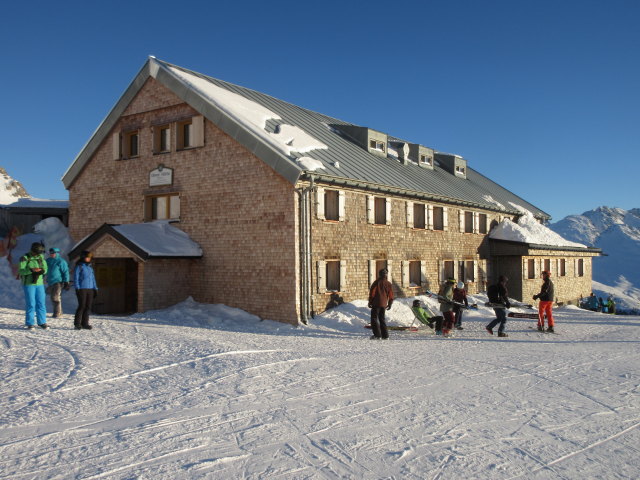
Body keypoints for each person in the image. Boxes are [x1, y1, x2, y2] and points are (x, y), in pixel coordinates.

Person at [18, 242, 49, 329]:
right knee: (31, 303)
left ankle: (42, 322)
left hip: (39, 284)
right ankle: (30, 323)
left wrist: (42, 271)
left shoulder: (41, 258)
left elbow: (45, 268)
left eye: (39, 253)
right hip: (29, 284)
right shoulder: (25, 258)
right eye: (37, 253)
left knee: (41, 303)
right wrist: (31, 270)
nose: (38, 254)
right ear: (33, 250)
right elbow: (21, 271)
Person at [74, 250, 98, 330]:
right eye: (87, 257)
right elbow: (76, 278)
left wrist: (95, 288)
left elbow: (93, 278)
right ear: (83, 257)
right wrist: (77, 288)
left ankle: (85, 323)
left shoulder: (90, 267)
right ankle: (77, 323)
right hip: (82, 289)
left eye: (89, 258)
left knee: (88, 306)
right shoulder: (79, 266)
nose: (89, 259)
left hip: (90, 289)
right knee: (82, 306)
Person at [368, 268, 393, 339]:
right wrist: (390, 303)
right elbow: (391, 294)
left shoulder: (376, 282)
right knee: (382, 319)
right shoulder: (388, 284)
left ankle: (377, 335)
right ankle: (385, 336)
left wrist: (370, 302)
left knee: (374, 319)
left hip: (376, 303)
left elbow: (372, 293)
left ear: (379, 274)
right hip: (384, 304)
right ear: (386, 275)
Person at [45, 247, 70, 318]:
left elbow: (65, 272)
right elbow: (44, 269)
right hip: (50, 282)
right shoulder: (48, 261)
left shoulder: (61, 261)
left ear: (57, 253)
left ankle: (57, 313)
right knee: (51, 296)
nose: (51, 254)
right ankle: (59, 311)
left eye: (53, 253)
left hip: (58, 281)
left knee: (55, 297)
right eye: (50, 253)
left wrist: (66, 282)